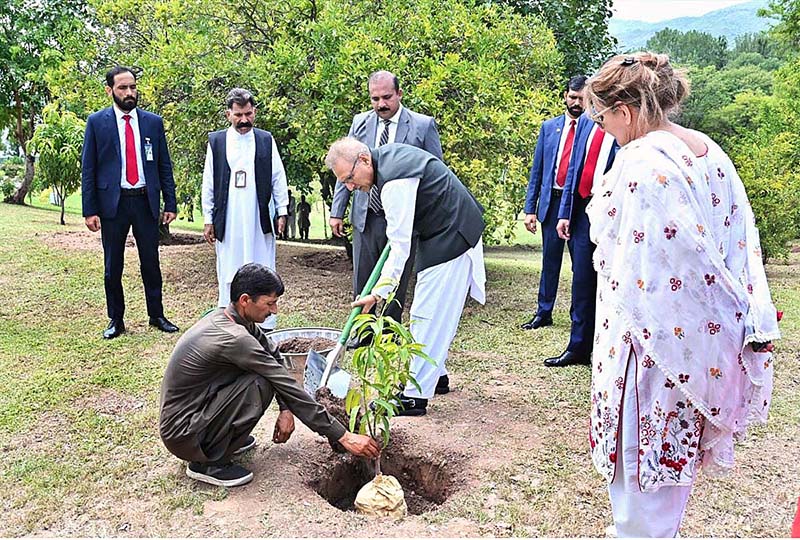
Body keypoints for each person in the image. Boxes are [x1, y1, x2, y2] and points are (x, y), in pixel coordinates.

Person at [584, 52, 780, 537]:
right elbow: (739, 243)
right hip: (698, 347)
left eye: (604, 118)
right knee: (662, 496)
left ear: (625, 112)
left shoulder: (641, 162)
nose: (605, 129)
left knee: (638, 492)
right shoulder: (708, 150)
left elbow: (634, 267)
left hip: (648, 351)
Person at [159, 263, 380, 488]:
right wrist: (343, 436)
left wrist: (285, 409)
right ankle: (207, 463)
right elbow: (280, 379)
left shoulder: (235, 319)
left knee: (265, 377)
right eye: (270, 303)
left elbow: (275, 356)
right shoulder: (235, 338)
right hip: (183, 433)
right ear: (245, 300)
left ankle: (219, 437)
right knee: (262, 382)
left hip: (194, 416)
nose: (274, 311)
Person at [325, 138, 486, 417]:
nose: (351, 187)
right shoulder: (385, 162)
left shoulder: (394, 182)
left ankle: (414, 396)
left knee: (427, 314)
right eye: (344, 183)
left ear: (364, 160)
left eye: (350, 178)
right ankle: (438, 377)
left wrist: (378, 293)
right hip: (442, 231)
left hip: (452, 234)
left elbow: (399, 247)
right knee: (432, 312)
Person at [329, 70, 443, 332]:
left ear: (399, 94)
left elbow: (434, 172)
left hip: (404, 215)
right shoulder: (360, 123)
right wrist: (338, 210)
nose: (381, 104)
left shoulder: (422, 125)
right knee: (363, 278)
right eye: (375, 98)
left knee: (398, 276)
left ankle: (391, 332)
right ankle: (363, 331)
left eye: (387, 97)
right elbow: (345, 167)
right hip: (366, 215)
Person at [81, 66, 179, 339]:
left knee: (151, 261)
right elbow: (88, 168)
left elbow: (164, 166)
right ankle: (116, 319)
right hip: (114, 204)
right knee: (113, 265)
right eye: (123, 88)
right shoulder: (97, 122)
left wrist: (169, 202)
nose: (129, 93)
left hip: (145, 201)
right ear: (110, 90)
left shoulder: (152, 123)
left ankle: (156, 314)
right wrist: (90, 210)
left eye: (133, 87)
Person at [201, 88, 289, 330]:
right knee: (229, 268)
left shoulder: (265, 139)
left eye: (248, 114)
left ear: (254, 112)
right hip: (228, 218)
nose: (244, 120)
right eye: (238, 114)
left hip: (258, 217)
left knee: (262, 267)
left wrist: (282, 211)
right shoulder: (216, 141)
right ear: (229, 114)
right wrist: (208, 218)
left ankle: (265, 321)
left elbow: (277, 178)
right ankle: (231, 322)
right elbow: (209, 182)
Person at [546, 106, 619, 367]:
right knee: (582, 282)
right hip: (581, 210)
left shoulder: (628, 122)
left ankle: (608, 351)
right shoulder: (587, 120)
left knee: (610, 282)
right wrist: (565, 212)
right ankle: (578, 347)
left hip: (613, 212)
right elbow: (575, 167)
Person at [521, 76, 587, 334]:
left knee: (580, 263)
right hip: (552, 202)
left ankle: (578, 316)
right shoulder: (549, 128)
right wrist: (530, 209)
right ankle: (543, 311)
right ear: (565, 96)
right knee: (550, 261)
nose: (576, 102)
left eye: (582, 98)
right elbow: (537, 171)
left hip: (578, 207)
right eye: (573, 97)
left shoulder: (593, 129)